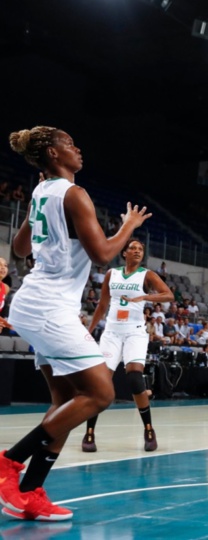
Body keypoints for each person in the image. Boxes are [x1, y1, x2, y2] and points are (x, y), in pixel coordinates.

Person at [1, 125, 150, 522]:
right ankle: (9, 464)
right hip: (49, 308)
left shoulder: (41, 191)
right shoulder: (74, 194)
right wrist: (128, 228)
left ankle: (30, 494)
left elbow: (18, 250)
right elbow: (102, 255)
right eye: (69, 144)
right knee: (100, 394)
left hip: (33, 304)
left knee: (65, 404)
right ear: (52, 153)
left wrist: (38, 211)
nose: (78, 148)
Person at [81, 238, 172, 453]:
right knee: (100, 381)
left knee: (133, 377)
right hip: (112, 332)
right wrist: (89, 330)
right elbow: (103, 304)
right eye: (133, 248)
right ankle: (89, 432)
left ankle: (148, 428)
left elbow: (168, 294)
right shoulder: (112, 274)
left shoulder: (146, 274)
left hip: (135, 332)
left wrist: (146, 296)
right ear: (124, 253)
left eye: (141, 249)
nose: (138, 251)